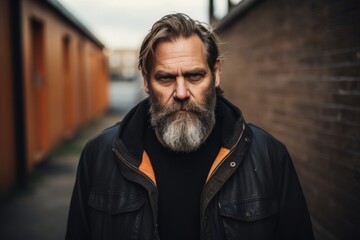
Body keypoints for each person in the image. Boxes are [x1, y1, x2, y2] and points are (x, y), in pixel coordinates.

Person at [65, 13, 314, 240]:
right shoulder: (99, 156)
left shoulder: (270, 156)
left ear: (215, 74)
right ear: (146, 81)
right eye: (165, 78)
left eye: (194, 76)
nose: (181, 93)